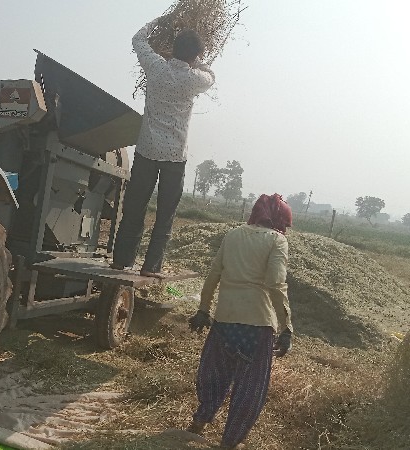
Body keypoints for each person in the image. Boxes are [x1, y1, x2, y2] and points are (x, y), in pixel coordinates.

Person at [186, 193, 294, 449]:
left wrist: (203, 310)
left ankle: (200, 421)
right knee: (250, 387)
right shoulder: (277, 242)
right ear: (280, 220)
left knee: (214, 375)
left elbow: (213, 275)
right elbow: (275, 284)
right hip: (257, 327)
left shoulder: (233, 235)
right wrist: (287, 326)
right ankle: (230, 442)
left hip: (224, 321)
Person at [111, 16, 215, 277]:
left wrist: (159, 21)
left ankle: (121, 261)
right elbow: (211, 76)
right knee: (166, 213)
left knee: (135, 206)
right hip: (175, 155)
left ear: (173, 48)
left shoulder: (155, 67)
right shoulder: (194, 79)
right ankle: (151, 266)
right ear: (194, 56)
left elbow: (138, 40)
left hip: (147, 149)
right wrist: (196, 60)